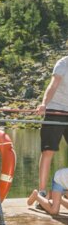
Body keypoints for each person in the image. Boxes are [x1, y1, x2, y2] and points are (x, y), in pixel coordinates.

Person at [36, 55, 68, 196]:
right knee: (48, 152)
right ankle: (42, 191)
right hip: (56, 110)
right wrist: (44, 103)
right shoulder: (63, 63)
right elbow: (53, 85)